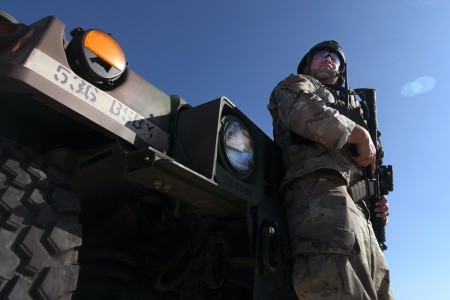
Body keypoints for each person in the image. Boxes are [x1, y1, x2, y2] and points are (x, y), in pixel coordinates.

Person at [267, 40, 394, 299]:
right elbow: (302, 112)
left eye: (334, 58)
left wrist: (374, 200)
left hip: (360, 212)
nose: (328, 59)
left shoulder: (354, 105)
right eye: (321, 56)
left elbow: (366, 167)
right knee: (336, 284)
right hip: (320, 193)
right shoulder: (298, 84)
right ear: (307, 64)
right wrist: (358, 134)